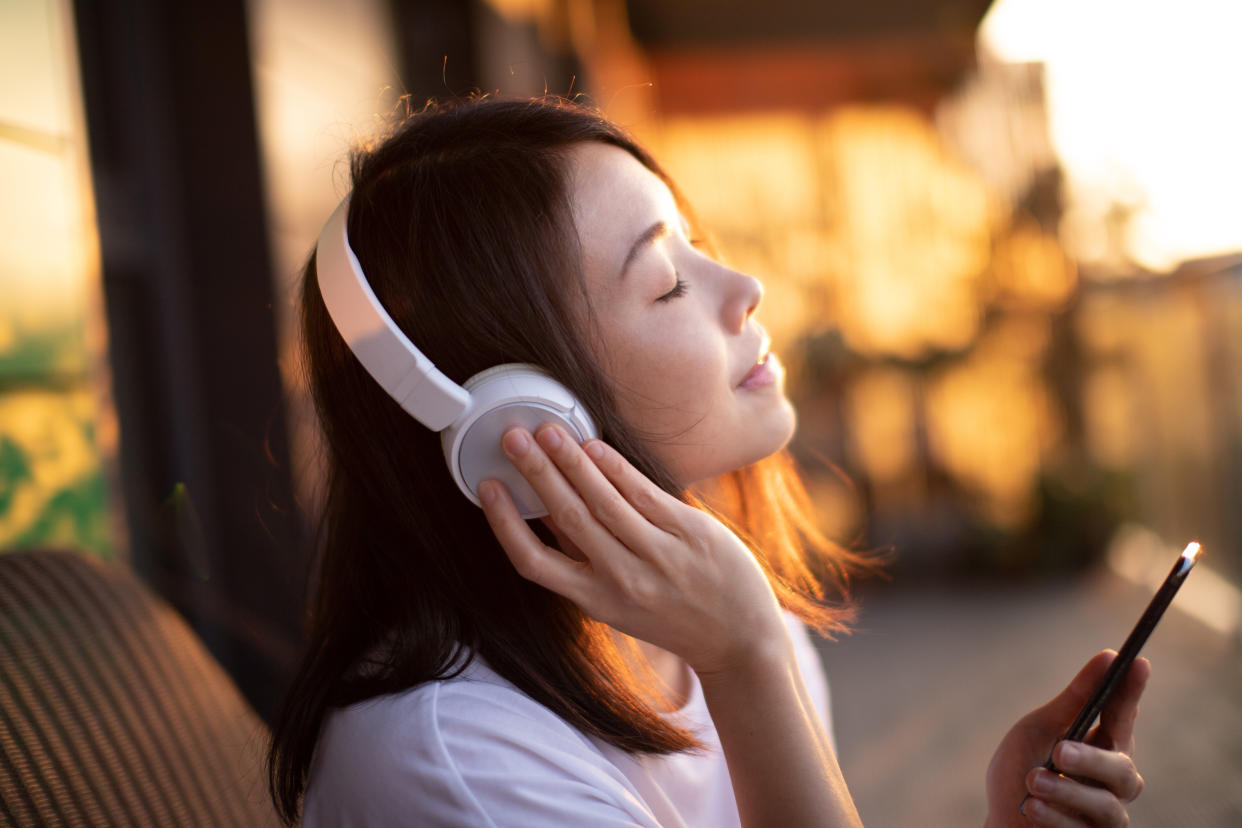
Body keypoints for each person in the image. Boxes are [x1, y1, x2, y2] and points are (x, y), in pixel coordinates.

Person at [268, 95, 1149, 827]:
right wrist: (750, 660)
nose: (746, 288)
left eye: (698, 244)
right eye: (668, 281)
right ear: (516, 424)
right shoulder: (457, 766)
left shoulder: (716, 618)